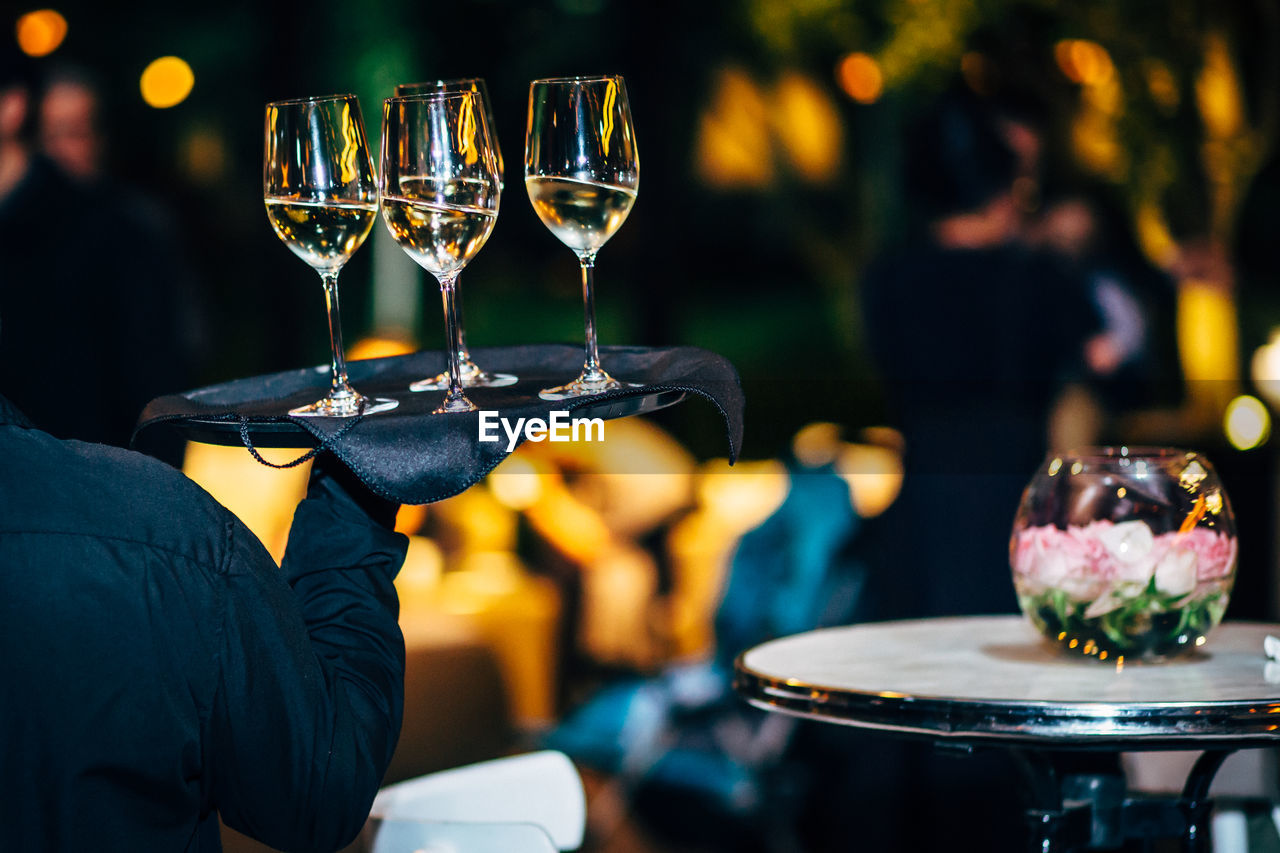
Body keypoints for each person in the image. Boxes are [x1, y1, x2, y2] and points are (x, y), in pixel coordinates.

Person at [0, 52, 409, 851]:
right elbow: (318, 788)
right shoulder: (167, 543)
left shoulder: (118, 233)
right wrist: (357, 494)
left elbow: (155, 398)